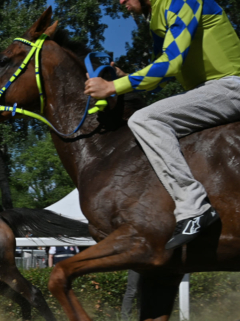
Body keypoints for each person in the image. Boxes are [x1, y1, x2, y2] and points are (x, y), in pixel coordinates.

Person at [85, 0, 240, 249]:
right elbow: (164, 75)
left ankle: (194, 207)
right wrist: (125, 78)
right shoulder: (156, 18)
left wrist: (113, 87)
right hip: (211, 89)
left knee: (145, 119)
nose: (121, 2)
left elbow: (171, 63)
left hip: (231, 85)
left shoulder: (183, 1)